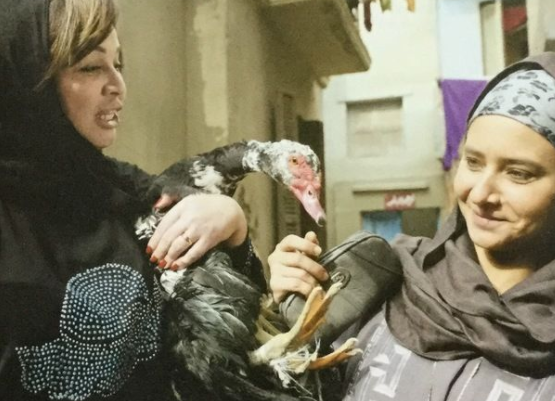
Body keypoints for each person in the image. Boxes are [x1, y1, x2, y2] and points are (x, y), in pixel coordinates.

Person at [0, 0, 259, 400]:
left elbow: (227, 346)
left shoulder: (132, 197)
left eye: (118, 64)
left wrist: (233, 231)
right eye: (90, 67)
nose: (117, 85)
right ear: (28, 78)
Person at [268, 52, 555, 400]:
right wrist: (285, 314)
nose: (480, 194)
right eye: (473, 162)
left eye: (518, 173)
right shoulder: (383, 279)